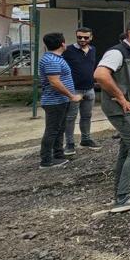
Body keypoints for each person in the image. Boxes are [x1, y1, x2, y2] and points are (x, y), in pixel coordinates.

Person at [93, 19, 130, 212]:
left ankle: (122, 191)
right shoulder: (117, 52)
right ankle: (125, 197)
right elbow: (101, 75)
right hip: (125, 110)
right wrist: (120, 97)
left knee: (127, 150)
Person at [38, 32, 83, 169]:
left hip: (60, 101)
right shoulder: (52, 60)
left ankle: (58, 154)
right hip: (54, 101)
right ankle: (46, 160)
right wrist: (72, 96)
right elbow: (55, 83)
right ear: (63, 43)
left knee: (59, 129)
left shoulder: (55, 58)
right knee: (52, 130)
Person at [62, 27, 101, 154]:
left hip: (89, 88)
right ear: (76, 36)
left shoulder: (92, 49)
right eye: (79, 37)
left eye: (85, 37)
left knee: (87, 116)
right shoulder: (68, 50)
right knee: (70, 117)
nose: (82, 40)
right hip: (74, 89)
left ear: (91, 37)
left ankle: (86, 139)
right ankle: (69, 143)